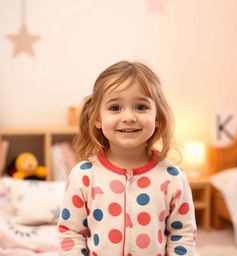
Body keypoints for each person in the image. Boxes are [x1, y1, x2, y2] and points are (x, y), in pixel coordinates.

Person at [58, 61, 197, 256]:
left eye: (141, 107)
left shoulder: (173, 177)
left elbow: (182, 236)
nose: (129, 116)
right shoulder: (83, 176)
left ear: (158, 117)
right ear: (97, 118)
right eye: (115, 108)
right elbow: (71, 234)